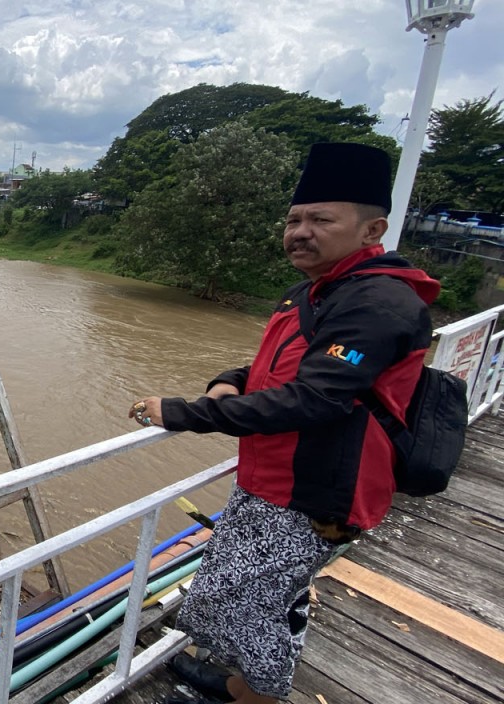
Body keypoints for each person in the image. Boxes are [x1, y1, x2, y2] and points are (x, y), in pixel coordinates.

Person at [127, 142, 440, 704]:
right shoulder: (310, 294)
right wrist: (230, 377)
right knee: (241, 593)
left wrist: (182, 412)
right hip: (272, 478)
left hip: (316, 490)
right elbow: (272, 368)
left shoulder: (381, 304)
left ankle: (254, 697)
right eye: (295, 219)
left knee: (258, 608)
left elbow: (314, 398)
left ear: (373, 230)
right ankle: (237, 683)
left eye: (321, 219)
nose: (300, 231)